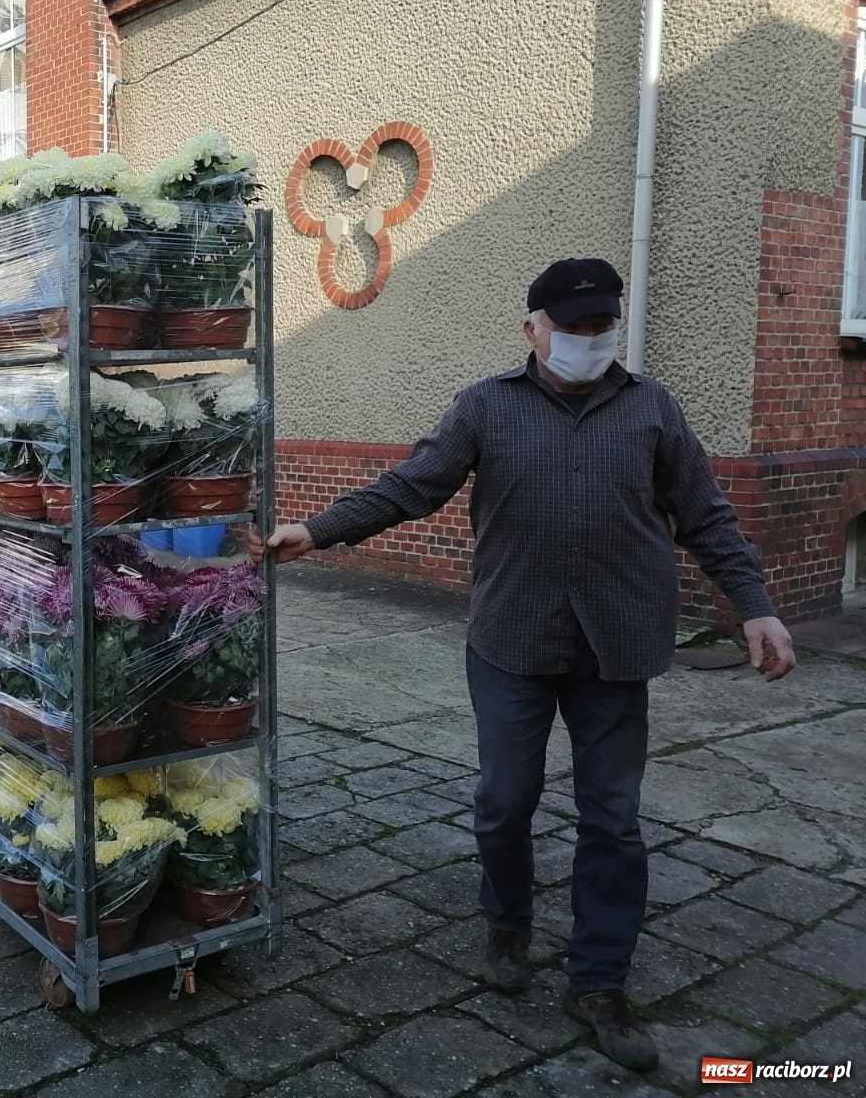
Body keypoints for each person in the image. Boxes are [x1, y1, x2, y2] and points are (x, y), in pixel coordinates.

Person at [250, 258, 795, 1072]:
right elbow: (411, 487)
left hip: (616, 646)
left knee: (613, 817)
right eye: (571, 328)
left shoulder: (653, 409)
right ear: (532, 329)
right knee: (506, 800)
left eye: (600, 328)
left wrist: (755, 605)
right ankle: (507, 923)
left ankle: (600, 978)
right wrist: (319, 530)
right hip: (512, 640)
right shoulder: (485, 406)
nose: (588, 341)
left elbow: (707, 515)